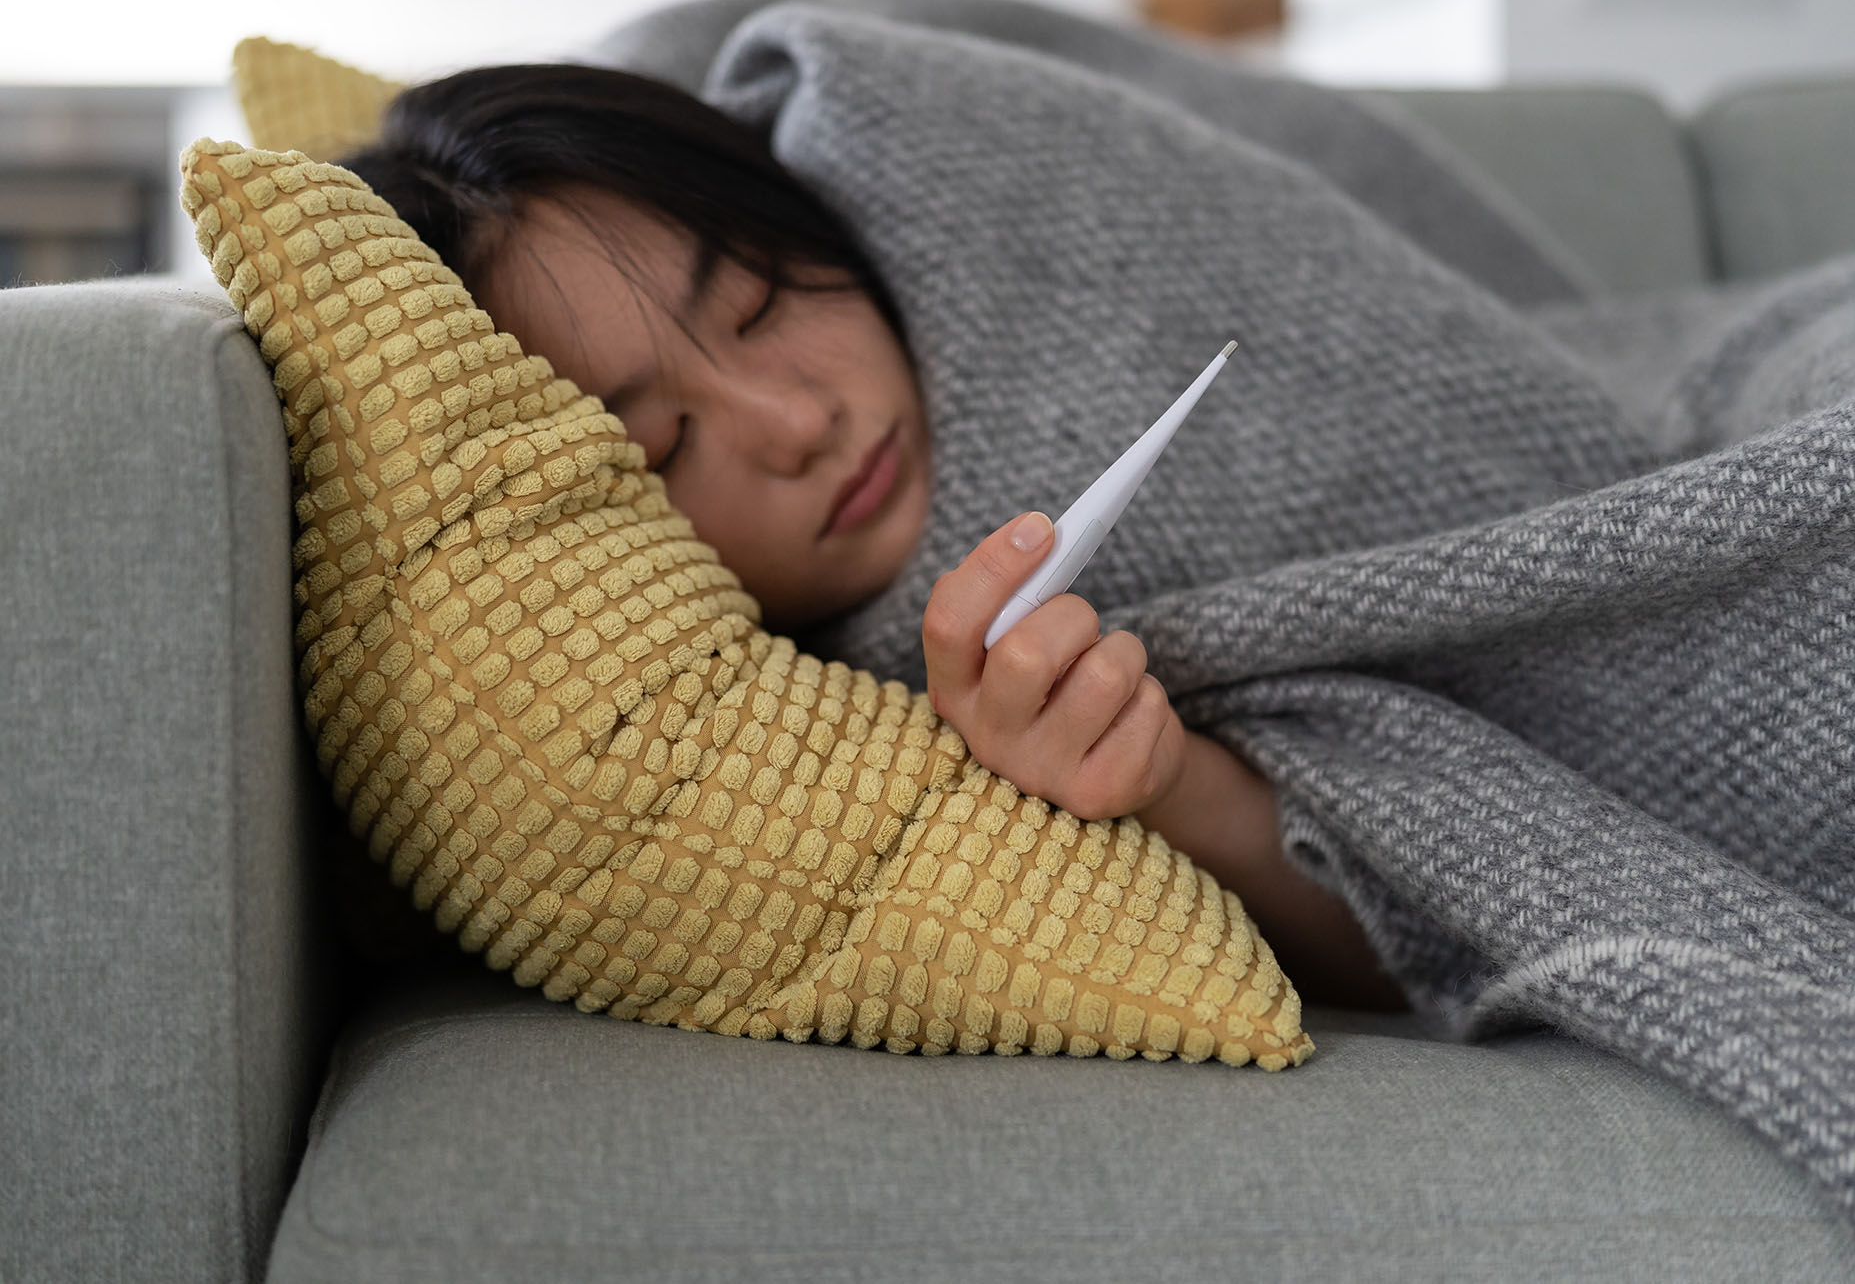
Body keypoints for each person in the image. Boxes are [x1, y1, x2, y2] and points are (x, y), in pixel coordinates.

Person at [343, 62, 1399, 1010]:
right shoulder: (792, 768)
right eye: (665, 447)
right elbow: (1406, 925)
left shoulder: (916, 175)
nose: (796, 425)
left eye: (758, 303)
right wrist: (1162, 785)